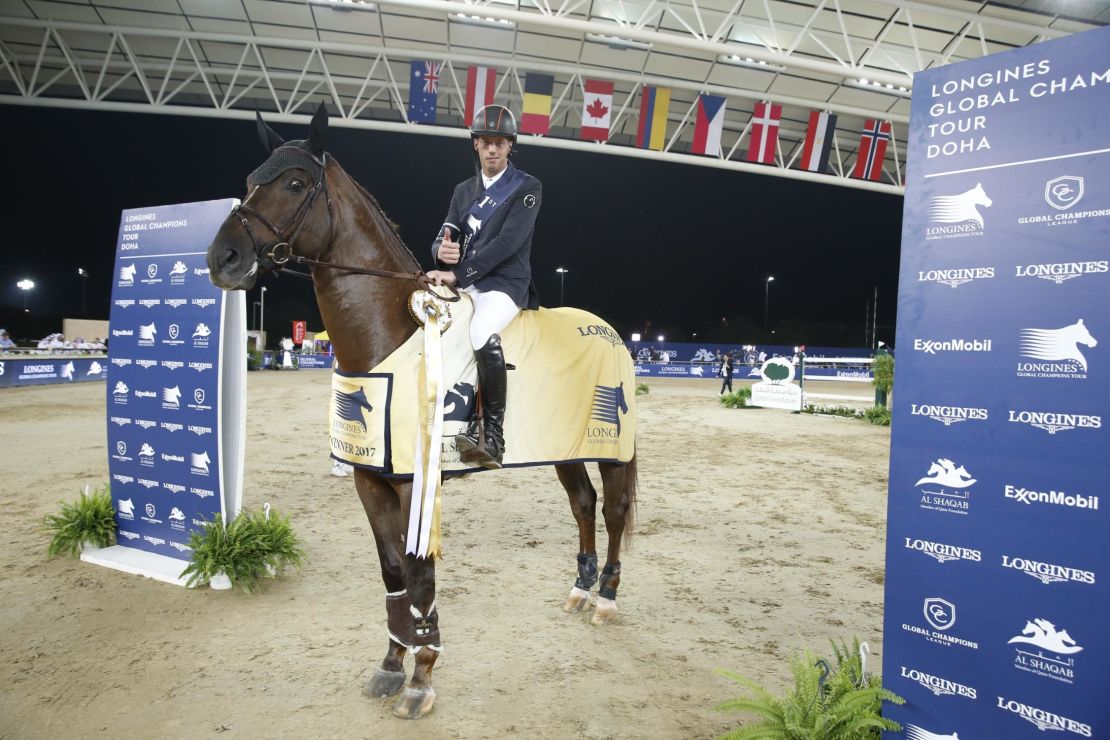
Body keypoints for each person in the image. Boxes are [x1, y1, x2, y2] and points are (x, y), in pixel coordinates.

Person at [425, 104, 542, 469]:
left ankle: (492, 436)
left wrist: (458, 274)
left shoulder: (527, 187)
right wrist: (439, 250)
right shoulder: (463, 191)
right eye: (486, 142)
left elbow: (507, 244)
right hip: (469, 282)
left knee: (479, 330)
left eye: (500, 143)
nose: (492, 149)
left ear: (511, 146)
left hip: (505, 285)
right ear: (475, 145)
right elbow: (446, 234)